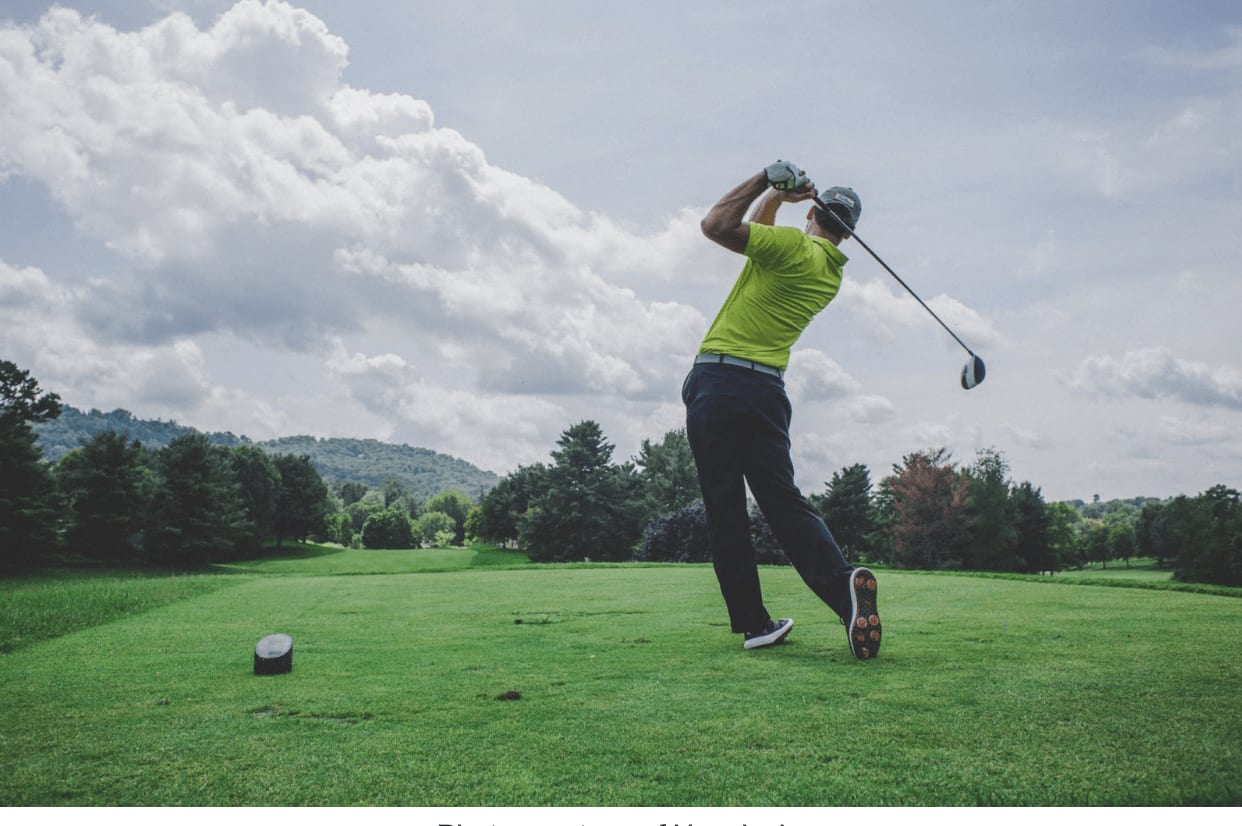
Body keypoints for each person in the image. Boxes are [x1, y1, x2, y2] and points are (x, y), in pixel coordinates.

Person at [682, 160, 881, 660]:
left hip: (720, 382)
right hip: (768, 393)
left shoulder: (792, 247)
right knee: (784, 503)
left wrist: (763, 180)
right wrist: (780, 199)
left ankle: (754, 623)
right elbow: (762, 235)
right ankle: (843, 593)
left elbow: (716, 226)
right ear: (849, 236)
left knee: (725, 508)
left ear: (814, 213)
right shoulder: (828, 271)